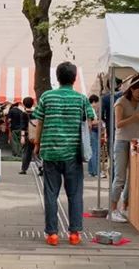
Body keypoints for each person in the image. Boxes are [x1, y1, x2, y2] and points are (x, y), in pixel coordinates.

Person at [33, 61, 94, 246]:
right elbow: (90, 121)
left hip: (50, 151)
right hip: (73, 153)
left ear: (57, 78)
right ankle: (74, 233)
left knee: (51, 193)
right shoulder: (82, 99)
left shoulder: (46, 97)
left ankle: (52, 234)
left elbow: (40, 122)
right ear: (74, 78)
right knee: (75, 194)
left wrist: (37, 143)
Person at [109, 74, 139, 222]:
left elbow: (136, 124)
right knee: (120, 177)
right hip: (121, 141)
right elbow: (118, 124)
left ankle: (124, 207)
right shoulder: (120, 102)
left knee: (132, 177)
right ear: (131, 89)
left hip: (134, 141)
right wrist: (135, 117)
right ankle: (112, 209)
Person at [19, 97, 38, 174]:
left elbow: (23, 126)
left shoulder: (23, 114)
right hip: (36, 134)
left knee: (27, 152)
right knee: (37, 152)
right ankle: (40, 167)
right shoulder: (36, 113)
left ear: (24, 104)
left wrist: (22, 137)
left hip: (28, 135)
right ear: (33, 103)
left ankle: (24, 169)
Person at [87, 95, 101, 177]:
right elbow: (91, 122)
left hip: (91, 132)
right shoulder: (91, 110)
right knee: (94, 151)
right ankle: (95, 171)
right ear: (94, 102)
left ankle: (91, 171)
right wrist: (99, 122)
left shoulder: (90, 109)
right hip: (93, 132)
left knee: (92, 152)